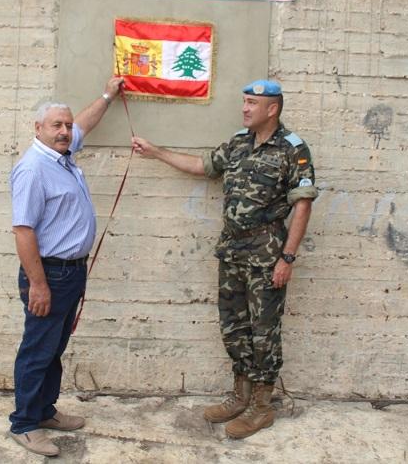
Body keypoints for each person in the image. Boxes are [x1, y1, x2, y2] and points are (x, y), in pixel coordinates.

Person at [131, 79, 318, 439]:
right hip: (232, 251)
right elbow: (202, 166)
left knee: (264, 332)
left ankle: (262, 407)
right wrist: (156, 152)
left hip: (266, 254)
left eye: (251, 103)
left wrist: (287, 258)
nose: (244, 108)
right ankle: (240, 396)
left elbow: (303, 204)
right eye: (244, 101)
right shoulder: (238, 142)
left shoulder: (292, 149)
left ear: (272, 109)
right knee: (233, 326)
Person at [8, 76, 124, 457]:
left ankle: (45, 410)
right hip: (49, 274)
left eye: (67, 125)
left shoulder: (61, 153)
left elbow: (85, 123)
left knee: (55, 346)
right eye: (56, 125)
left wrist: (107, 95)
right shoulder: (33, 169)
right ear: (38, 128)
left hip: (71, 272)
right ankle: (24, 424)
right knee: (37, 349)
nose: (64, 131)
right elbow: (23, 231)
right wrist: (38, 284)